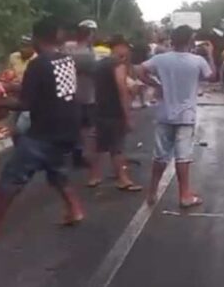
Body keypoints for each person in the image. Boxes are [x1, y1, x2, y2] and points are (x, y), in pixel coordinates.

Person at [0, 17, 85, 240]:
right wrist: (7, 87)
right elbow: (47, 88)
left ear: (37, 38)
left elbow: (26, 103)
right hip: (68, 128)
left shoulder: (38, 64)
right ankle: (75, 210)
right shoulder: (66, 60)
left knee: (12, 177)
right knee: (56, 169)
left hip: (44, 131)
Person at [137, 26, 215, 208]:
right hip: (186, 116)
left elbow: (140, 71)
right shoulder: (197, 61)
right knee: (183, 157)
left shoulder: (160, 59)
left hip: (164, 113)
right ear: (190, 40)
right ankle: (185, 195)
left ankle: (152, 192)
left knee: (160, 156)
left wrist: (156, 85)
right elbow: (212, 77)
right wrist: (211, 54)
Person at [91, 35, 142, 192]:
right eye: (126, 47)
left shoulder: (100, 65)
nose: (127, 51)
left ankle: (95, 176)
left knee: (100, 146)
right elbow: (121, 89)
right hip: (114, 111)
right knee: (117, 147)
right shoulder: (117, 64)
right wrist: (127, 115)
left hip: (100, 110)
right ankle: (123, 179)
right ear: (119, 46)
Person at [65, 20, 99, 178]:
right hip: (85, 95)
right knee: (86, 128)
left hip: (69, 93)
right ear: (89, 34)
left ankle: (74, 152)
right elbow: (95, 71)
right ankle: (81, 155)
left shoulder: (68, 48)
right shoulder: (85, 54)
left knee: (75, 126)